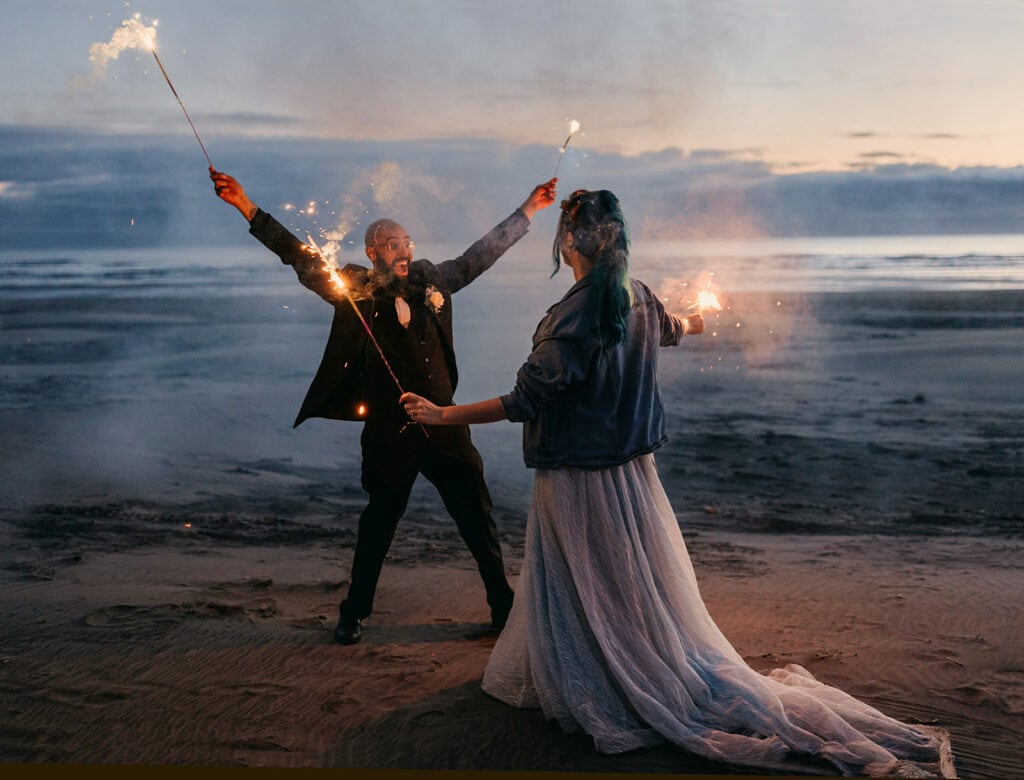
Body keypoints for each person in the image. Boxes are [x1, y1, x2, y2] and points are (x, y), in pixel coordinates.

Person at [399, 189, 955, 777]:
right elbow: (672, 326)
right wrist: (698, 318)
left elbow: (525, 400)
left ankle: (608, 677)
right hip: (633, 474)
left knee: (586, 580)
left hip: (579, 476)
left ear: (568, 242)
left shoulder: (575, 314)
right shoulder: (635, 296)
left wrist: (442, 414)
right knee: (626, 580)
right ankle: (623, 661)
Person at [210, 166, 557, 645]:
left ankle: (502, 606)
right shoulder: (354, 289)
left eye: (407, 241)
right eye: (391, 243)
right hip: (388, 432)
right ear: (373, 253)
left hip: (445, 423)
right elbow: (300, 257)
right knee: (378, 524)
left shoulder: (432, 278)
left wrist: (528, 210)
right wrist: (247, 206)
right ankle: (353, 613)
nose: (404, 249)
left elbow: (480, 256)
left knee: (476, 518)